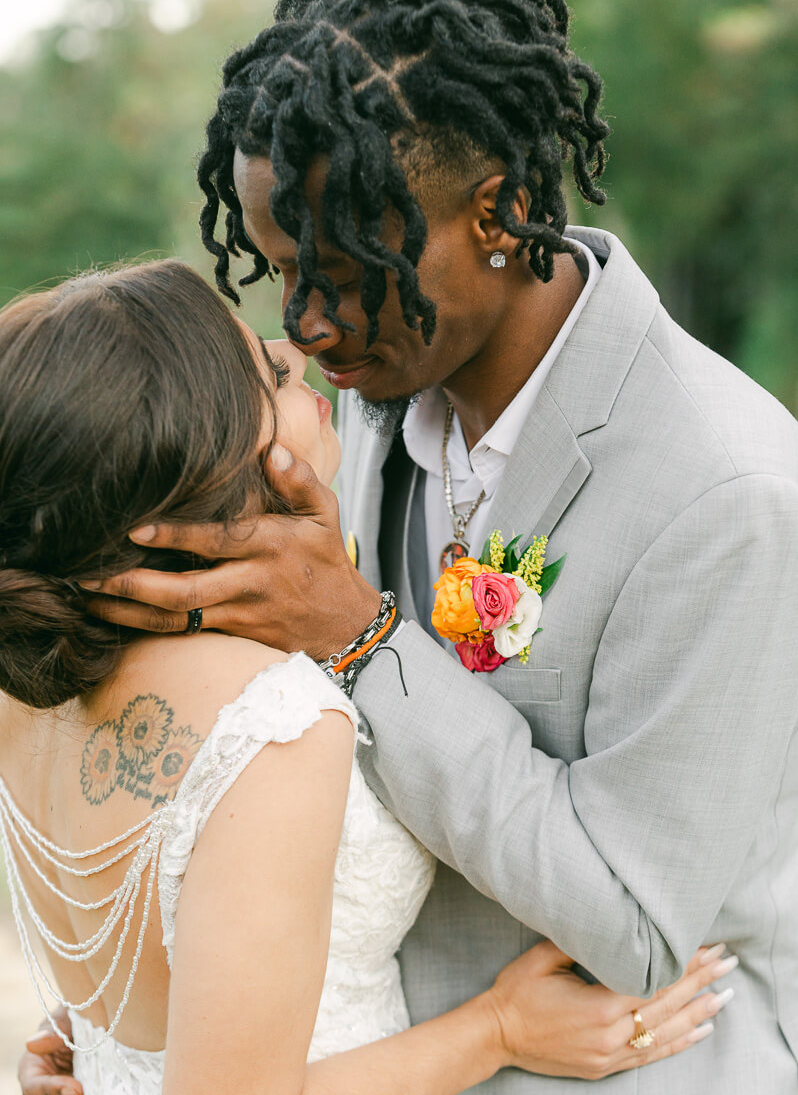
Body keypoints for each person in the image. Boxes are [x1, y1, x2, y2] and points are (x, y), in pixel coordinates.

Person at [20, 0, 798, 1092]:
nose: (311, 327)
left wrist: (362, 637)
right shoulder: (382, 394)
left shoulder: (727, 495)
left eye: (349, 271)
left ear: (504, 212)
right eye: (282, 273)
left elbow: (637, 926)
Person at [2, 261, 723, 1095]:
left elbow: (145, 992)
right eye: (268, 373)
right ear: (201, 455)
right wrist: (498, 1028)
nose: (295, 350)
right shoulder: (272, 720)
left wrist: (102, 1053)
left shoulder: (30, 687)